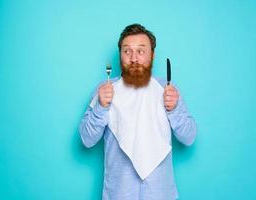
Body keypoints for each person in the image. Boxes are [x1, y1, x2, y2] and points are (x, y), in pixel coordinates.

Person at [79, 23, 197, 200]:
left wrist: (174, 109)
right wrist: (101, 107)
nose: (134, 58)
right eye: (127, 51)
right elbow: (86, 140)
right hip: (119, 194)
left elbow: (189, 137)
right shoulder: (104, 90)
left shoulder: (167, 89)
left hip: (161, 194)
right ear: (120, 55)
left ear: (152, 55)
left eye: (141, 51)